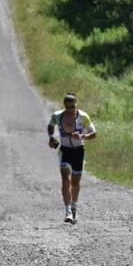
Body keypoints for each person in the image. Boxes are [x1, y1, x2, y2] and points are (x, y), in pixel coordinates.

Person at [48, 93, 96, 224]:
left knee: (75, 183)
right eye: (68, 107)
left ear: (76, 105)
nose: (71, 110)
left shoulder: (83, 117)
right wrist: (51, 137)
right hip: (65, 151)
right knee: (65, 179)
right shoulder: (58, 116)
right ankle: (68, 211)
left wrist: (82, 136)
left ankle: (74, 205)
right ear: (65, 106)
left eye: (73, 106)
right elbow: (51, 125)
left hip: (79, 152)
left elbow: (94, 133)